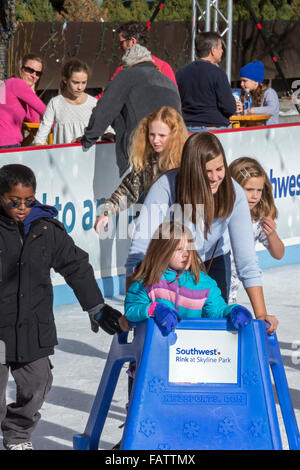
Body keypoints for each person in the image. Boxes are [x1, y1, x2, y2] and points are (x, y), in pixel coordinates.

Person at [0, 164, 123, 450]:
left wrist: (96, 306)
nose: (21, 207)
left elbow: (75, 265)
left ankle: (17, 433)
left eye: (28, 201)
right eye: (13, 201)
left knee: (38, 383)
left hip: (32, 325)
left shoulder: (45, 229)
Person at [125, 132, 278, 334]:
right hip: (169, 266)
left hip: (213, 261)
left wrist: (261, 316)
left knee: (216, 326)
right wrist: (129, 314)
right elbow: (139, 252)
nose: (216, 177)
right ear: (193, 171)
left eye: (220, 168)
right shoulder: (166, 187)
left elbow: (247, 261)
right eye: (208, 171)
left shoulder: (234, 193)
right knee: (166, 327)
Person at [125, 221, 253, 334]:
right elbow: (131, 309)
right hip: (157, 345)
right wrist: (154, 309)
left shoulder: (203, 283)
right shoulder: (148, 281)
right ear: (162, 251)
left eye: (189, 249)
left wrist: (233, 311)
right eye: (178, 249)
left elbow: (217, 311)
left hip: (191, 350)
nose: (186, 254)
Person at [76, 44, 181, 177]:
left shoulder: (126, 76)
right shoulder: (168, 81)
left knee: (136, 196)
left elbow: (103, 111)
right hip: (171, 154)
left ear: (128, 65)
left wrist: (88, 139)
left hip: (139, 154)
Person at [94, 106, 188, 235]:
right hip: (156, 229)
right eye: (152, 134)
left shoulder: (186, 160)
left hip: (182, 228)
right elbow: (128, 191)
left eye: (162, 135)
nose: (155, 140)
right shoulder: (148, 162)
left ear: (174, 135)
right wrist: (106, 212)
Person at [228, 157, 284, 304]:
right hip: (211, 284)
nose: (255, 196)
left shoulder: (257, 218)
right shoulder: (222, 214)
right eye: (249, 190)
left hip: (231, 293)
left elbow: (278, 253)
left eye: (259, 190)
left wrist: (271, 234)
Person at [34, 59, 114, 145]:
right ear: (65, 80)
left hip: (89, 156)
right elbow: (41, 136)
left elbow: (107, 131)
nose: (80, 87)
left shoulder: (93, 103)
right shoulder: (55, 103)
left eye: (84, 82)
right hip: (63, 156)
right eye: (75, 82)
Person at [96, 21, 177, 99]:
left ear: (132, 41)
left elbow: (107, 97)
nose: (119, 47)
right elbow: (175, 101)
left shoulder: (123, 69)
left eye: (121, 43)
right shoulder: (164, 67)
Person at [175, 32, 237, 131]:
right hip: (213, 129)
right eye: (221, 47)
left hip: (187, 128)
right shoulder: (218, 74)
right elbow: (229, 108)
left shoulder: (181, 73)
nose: (222, 51)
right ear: (213, 50)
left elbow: (176, 102)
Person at [0, 54, 46, 149]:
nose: (34, 76)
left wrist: (32, 91)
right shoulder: (17, 83)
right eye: (30, 70)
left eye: (38, 73)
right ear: (21, 69)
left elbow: (33, 120)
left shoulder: (7, 85)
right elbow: (46, 112)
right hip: (7, 144)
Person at [239, 60, 279, 125]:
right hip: (252, 130)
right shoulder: (247, 93)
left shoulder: (269, 93)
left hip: (268, 131)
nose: (241, 84)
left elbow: (272, 109)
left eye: (244, 81)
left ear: (255, 81)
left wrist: (251, 110)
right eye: (241, 81)